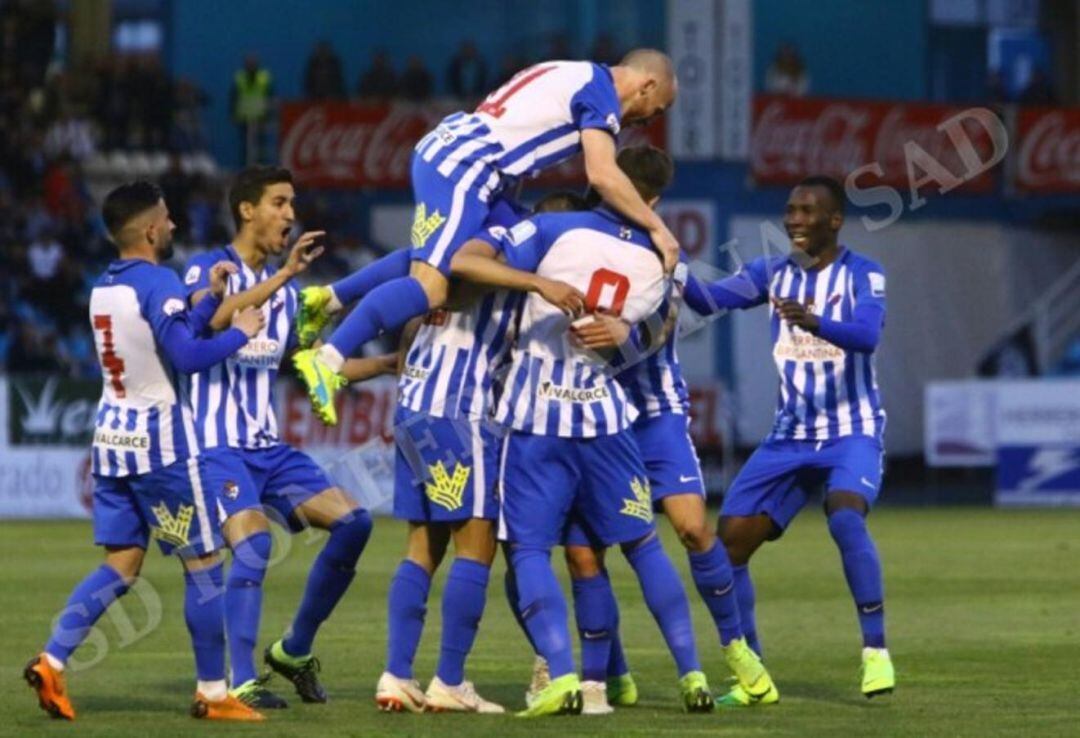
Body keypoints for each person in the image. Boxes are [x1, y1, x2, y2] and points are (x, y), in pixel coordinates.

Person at [451, 145, 713, 718]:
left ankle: (563, 676)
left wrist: (532, 283)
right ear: (655, 200)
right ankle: (693, 673)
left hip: (536, 412)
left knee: (531, 550)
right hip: (606, 417)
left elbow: (465, 263)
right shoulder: (660, 257)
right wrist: (624, 333)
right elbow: (655, 336)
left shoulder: (551, 228)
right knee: (643, 545)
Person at [292, 49, 681, 427]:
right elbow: (602, 173)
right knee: (432, 286)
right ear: (646, 85)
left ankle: (328, 298)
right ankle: (328, 358)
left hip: (487, 175)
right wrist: (659, 230)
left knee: (455, 257)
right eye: (658, 110)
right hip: (466, 168)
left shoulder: (572, 71)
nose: (649, 122)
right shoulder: (601, 93)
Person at [24, 181, 265, 722]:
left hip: (111, 439)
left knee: (122, 563)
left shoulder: (105, 285)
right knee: (204, 563)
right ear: (151, 229)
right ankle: (213, 692)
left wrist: (207, 301)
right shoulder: (158, 281)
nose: (175, 225)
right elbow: (184, 355)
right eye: (168, 218)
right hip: (159, 445)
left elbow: (161, 335)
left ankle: (53, 660)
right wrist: (239, 331)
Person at [182, 167, 387, 709]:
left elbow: (318, 365)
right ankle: (242, 680)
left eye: (292, 203)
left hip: (268, 450)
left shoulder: (288, 296)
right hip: (215, 448)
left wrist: (394, 362)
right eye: (280, 203)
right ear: (247, 210)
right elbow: (202, 328)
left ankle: (293, 649)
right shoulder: (209, 267)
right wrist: (282, 279)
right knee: (254, 548)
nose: (291, 215)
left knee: (353, 524)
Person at [689, 175, 894, 700]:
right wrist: (666, 264)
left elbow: (867, 336)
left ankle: (875, 652)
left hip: (851, 430)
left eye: (807, 211)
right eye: (790, 210)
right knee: (728, 546)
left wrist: (816, 321)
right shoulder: (770, 272)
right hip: (790, 436)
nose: (794, 220)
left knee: (845, 515)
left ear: (835, 220)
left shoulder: (863, 275)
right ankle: (754, 676)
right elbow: (710, 299)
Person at [230, 55, 273, 165]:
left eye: (253, 64)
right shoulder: (240, 78)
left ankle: (263, 170)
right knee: (246, 148)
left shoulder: (264, 78)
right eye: (249, 64)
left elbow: (270, 98)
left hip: (261, 117)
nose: (251, 66)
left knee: (261, 148)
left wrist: (269, 114)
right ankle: (247, 171)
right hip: (244, 118)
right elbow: (233, 98)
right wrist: (233, 114)